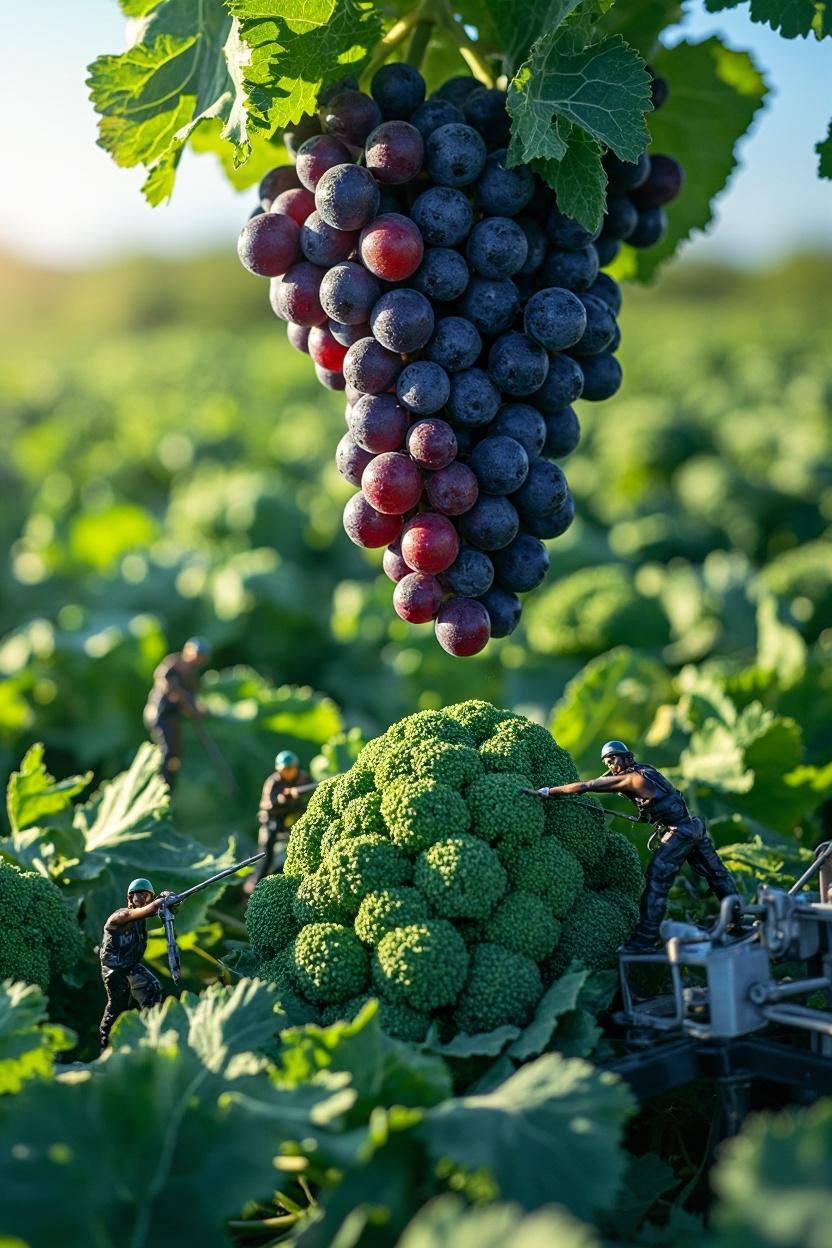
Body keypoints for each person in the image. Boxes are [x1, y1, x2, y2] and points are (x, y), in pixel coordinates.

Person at [543, 740, 740, 953]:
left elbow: (586, 786)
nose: (611, 766)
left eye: (613, 760)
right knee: (717, 874)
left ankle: (645, 938)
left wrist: (548, 791)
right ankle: (736, 921)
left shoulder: (630, 778)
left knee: (656, 881)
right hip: (694, 827)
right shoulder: (645, 770)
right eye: (608, 763)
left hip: (679, 832)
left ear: (626, 757)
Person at [98, 877, 171, 1051]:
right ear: (130, 898)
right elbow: (150, 909)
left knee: (154, 987)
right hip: (114, 970)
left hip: (130, 964)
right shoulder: (121, 916)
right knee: (118, 1006)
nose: (141, 899)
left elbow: (156, 909)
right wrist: (163, 901)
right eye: (137, 895)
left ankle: (153, 1030)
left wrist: (172, 902)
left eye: (146, 896)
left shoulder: (141, 918)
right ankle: (106, 1045)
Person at [143, 637, 212, 788]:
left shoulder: (191, 677)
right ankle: (157, 785)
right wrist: (186, 702)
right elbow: (168, 687)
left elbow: (192, 699)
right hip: (160, 714)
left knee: (176, 754)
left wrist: (198, 710)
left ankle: (168, 787)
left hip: (173, 717)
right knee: (166, 752)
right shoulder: (173, 665)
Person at [251, 750, 310, 885]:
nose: (288, 772)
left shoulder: (304, 779)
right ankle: (257, 884)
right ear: (279, 769)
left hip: (293, 819)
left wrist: (299, 797)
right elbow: (265, 804)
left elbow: (313, 793)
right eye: (285, 769)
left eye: (291, 768)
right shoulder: (273, 782)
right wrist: (281, 798)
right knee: (266, 856)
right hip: (272, 820)